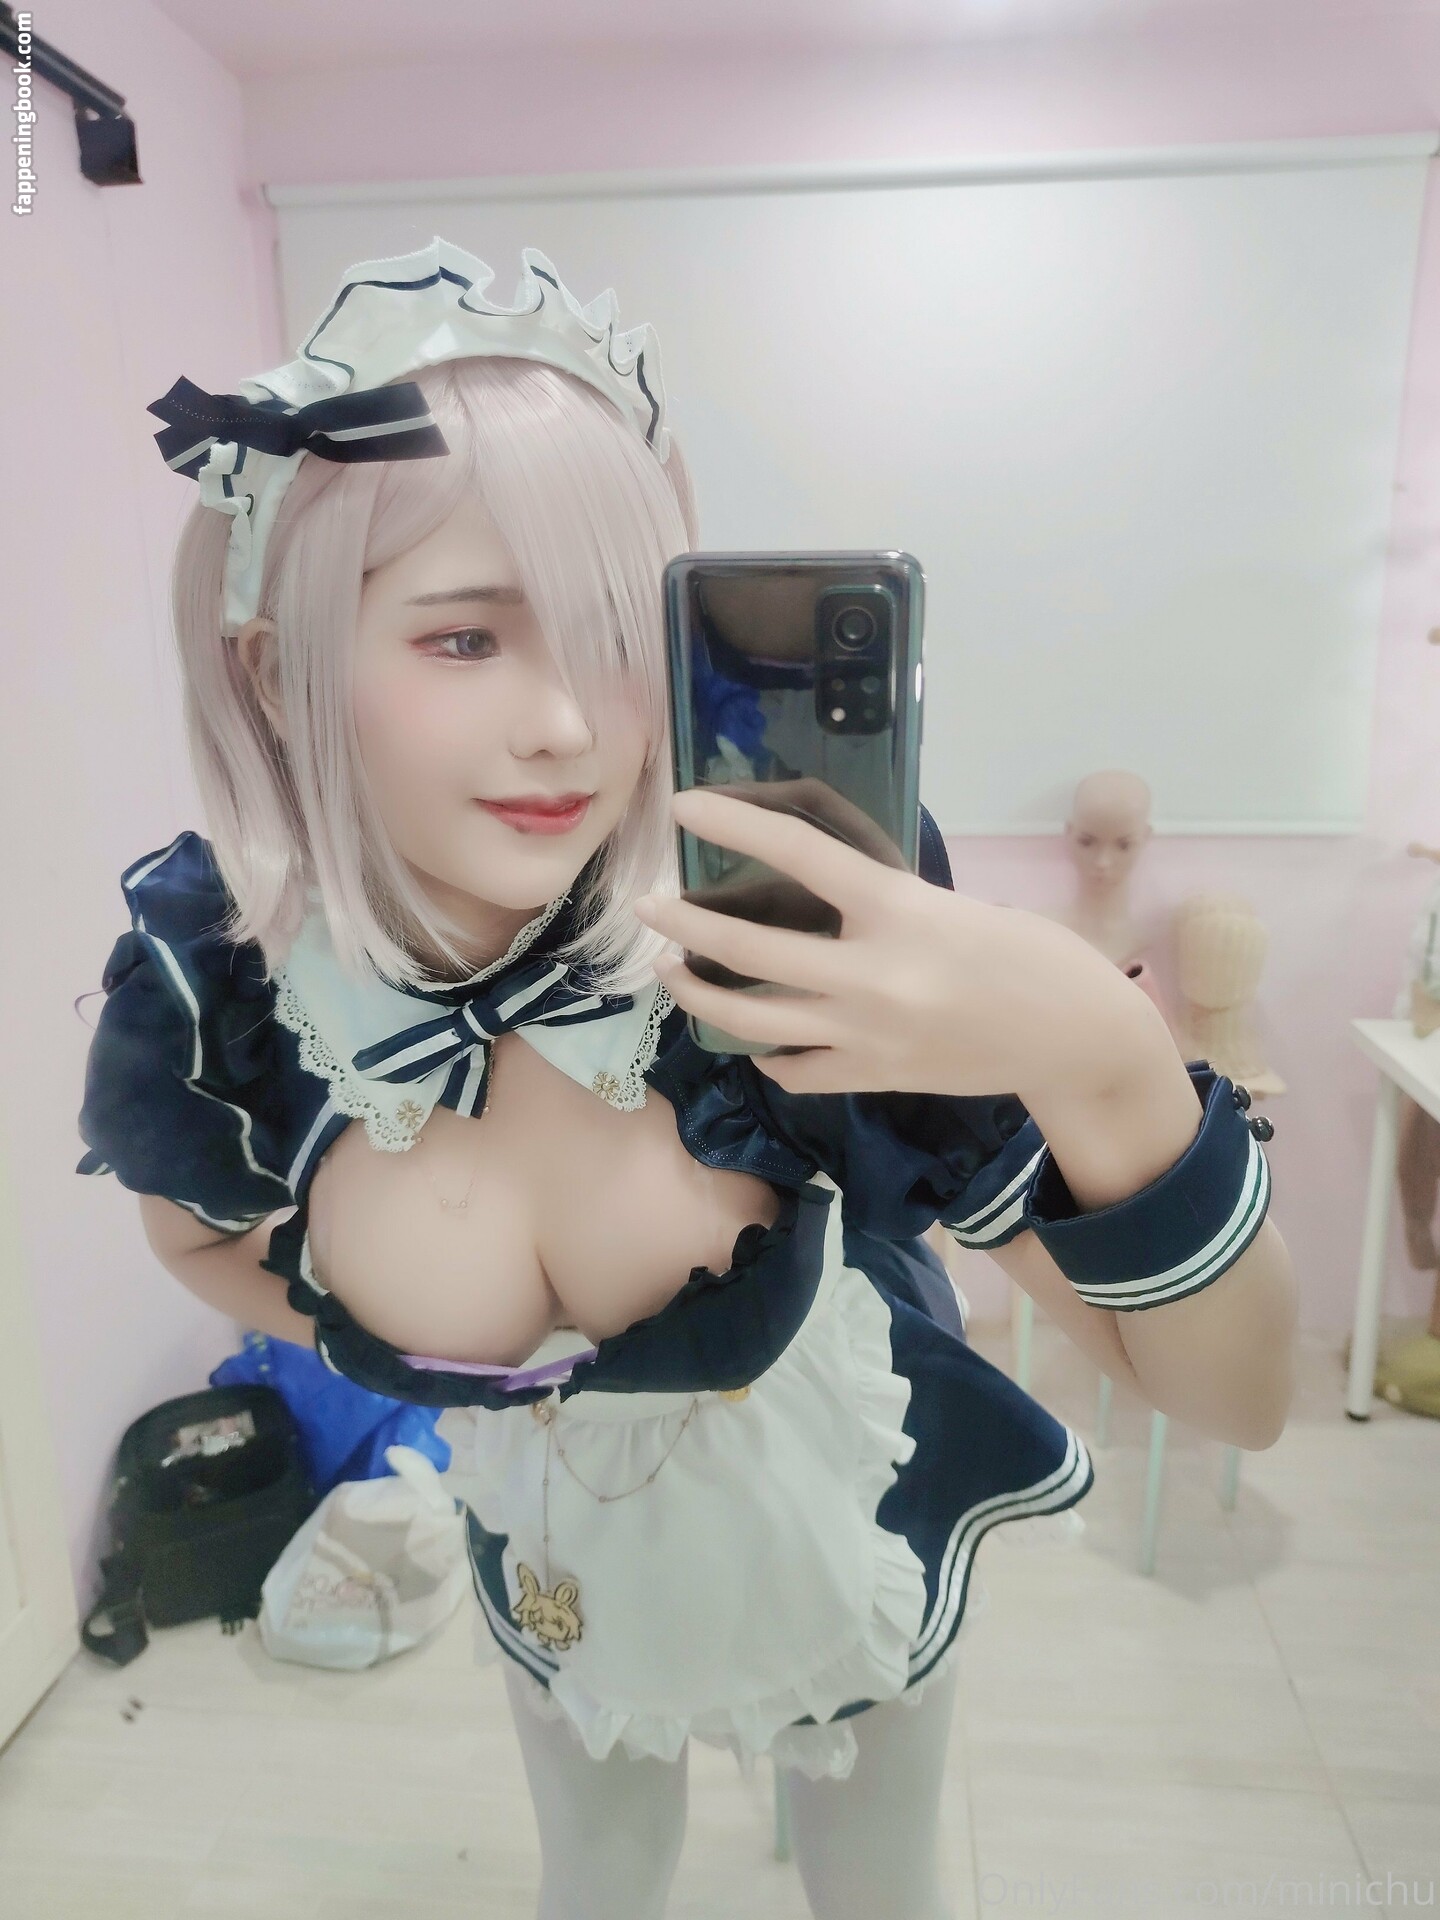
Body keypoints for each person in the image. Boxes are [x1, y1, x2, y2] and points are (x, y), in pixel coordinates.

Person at [75, 238, 1298, 1920]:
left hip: (837, 1507)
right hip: (554, 1553)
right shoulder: (229, 977)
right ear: (273, 671)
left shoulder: (775, 927)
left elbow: (1231, 1398)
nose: (572, 725)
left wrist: (1100, 1052)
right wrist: (464, 1371)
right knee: (599, 1878)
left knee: (881, 1891)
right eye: (464, 639)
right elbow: (195, 1234)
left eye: (613, 633)